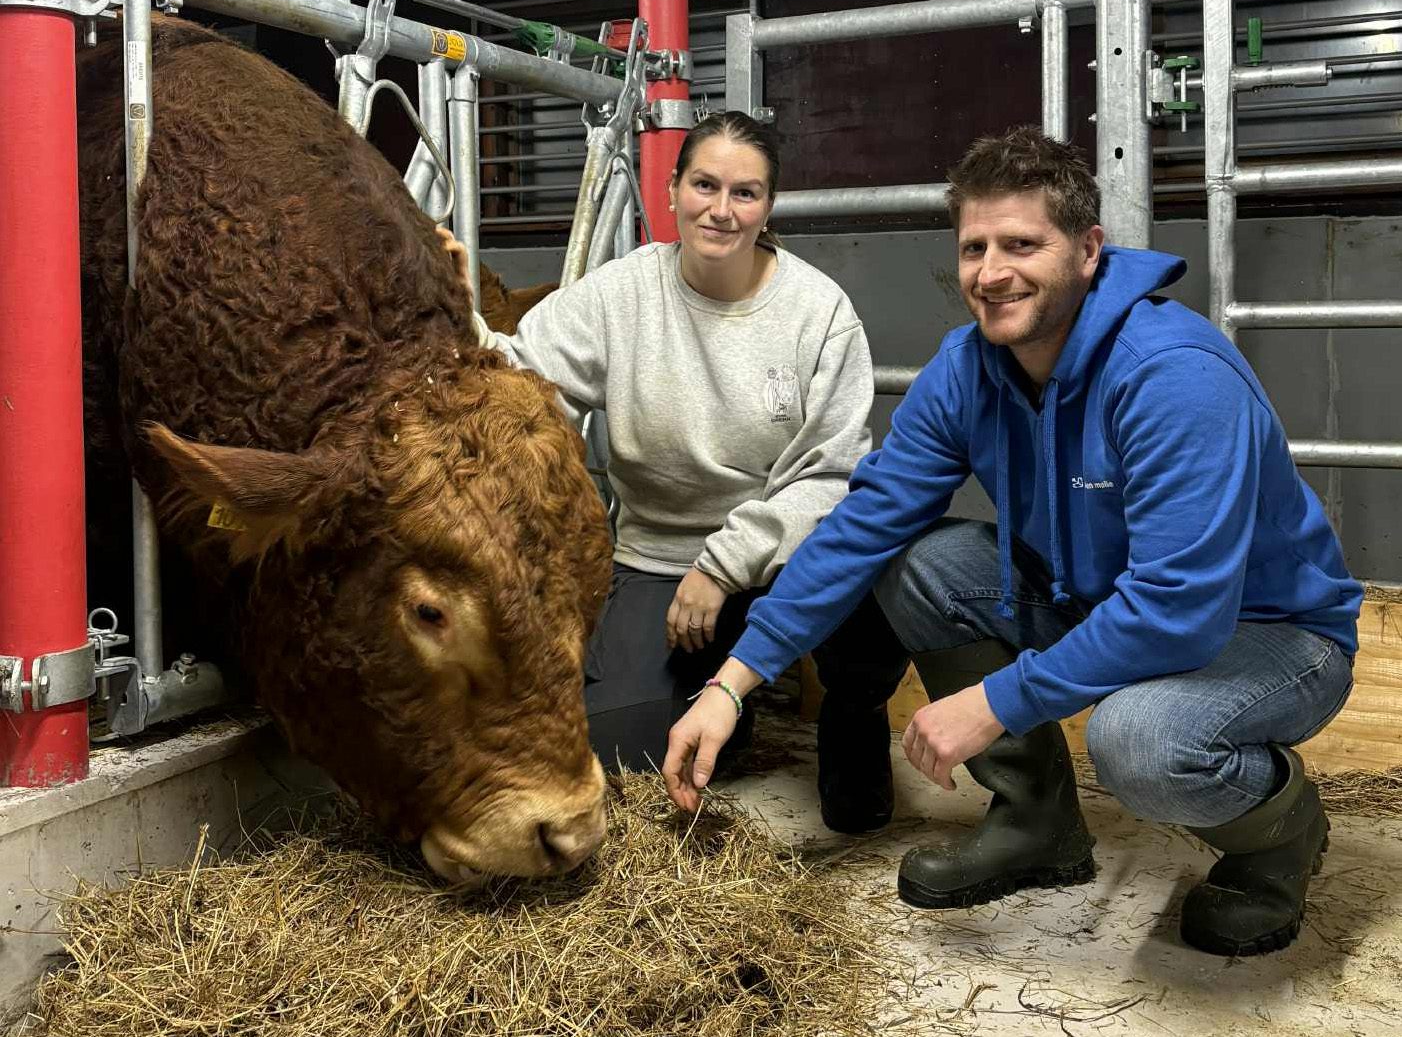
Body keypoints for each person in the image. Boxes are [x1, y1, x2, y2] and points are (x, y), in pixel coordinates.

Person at [664, 124, 1362, 958]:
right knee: (919, 566)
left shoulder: (1172, 376)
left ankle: (1281, 836)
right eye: (974, 247)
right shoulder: (968, 368)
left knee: (1140, 740)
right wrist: (732, 682)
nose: (991, 273)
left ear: (1088, 249)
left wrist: (994, 701)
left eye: (1022, 244)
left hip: (1271, 634)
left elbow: (1178, 610)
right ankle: (1036, 824)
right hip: (1101, 599)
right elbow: (862, 526)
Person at [469, 110, 911, 833]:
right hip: (661, 560)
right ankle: (719, 709)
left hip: (784, 555)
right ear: (672, 189)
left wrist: (725, 562)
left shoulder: (817, 311)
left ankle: (852, 713)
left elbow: (830, 476)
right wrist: (453, 311)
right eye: (705, 184)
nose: (722, 209)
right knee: (614, 748)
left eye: (746, 193)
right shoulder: (624, 294)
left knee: (874, 580)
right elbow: (520, 374)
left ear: (768, 207)